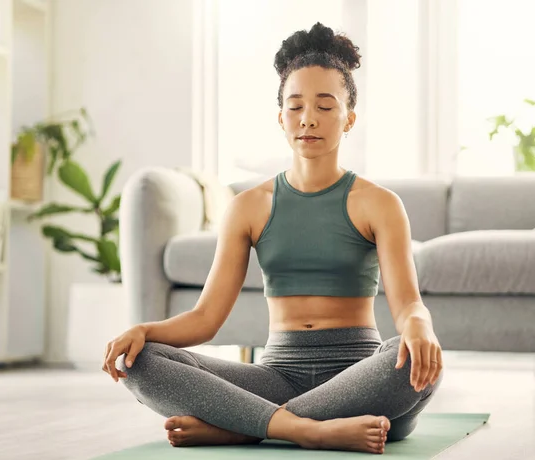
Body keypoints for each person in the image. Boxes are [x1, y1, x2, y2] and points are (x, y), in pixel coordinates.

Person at [103, 22, 443, 455]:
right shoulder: (248, 206)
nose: (308, 119)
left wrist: (420, 325)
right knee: (142, 362)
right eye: (295, 105)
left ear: (348, 118)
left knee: (414, 361)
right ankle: (309, 430)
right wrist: (143, 330)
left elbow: (408, 304)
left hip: (359, 376)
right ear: (280, 116)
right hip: (275, 375)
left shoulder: (379, 203)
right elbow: (206, 318)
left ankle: (246, 426)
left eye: (325, 106)